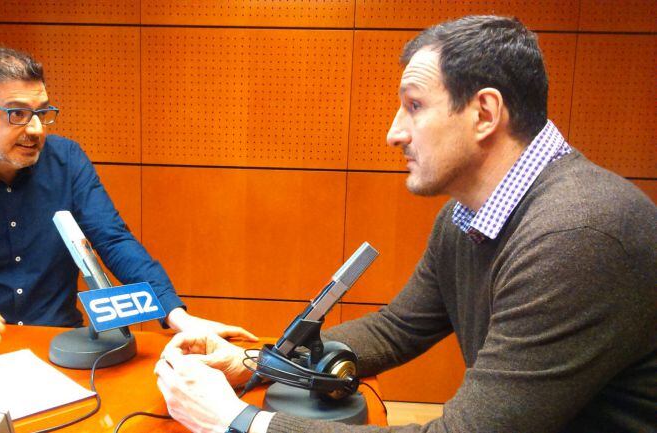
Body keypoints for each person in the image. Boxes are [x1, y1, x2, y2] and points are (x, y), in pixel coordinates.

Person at [154, 15, 657, 433]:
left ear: (483, 112)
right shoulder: (467, 215)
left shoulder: (576, 237)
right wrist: (257, 363)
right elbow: (397, 330)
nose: (395, 133)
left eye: (414, 106)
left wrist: (235, 419)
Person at [0, 47, 256, 359]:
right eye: (17, 114)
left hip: (59, 346)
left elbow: (113, 240)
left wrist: (179, 317)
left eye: (42, 113)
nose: (35, 129)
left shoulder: (67, 159)